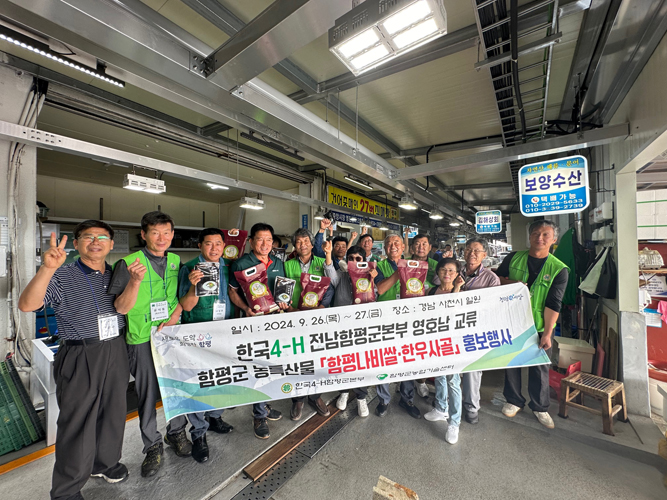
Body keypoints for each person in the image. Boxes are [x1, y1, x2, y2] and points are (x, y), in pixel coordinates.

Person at [19, 221, 129, 500]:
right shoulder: (61, 275)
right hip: (81, 353)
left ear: (111, 244)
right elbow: (27, 305)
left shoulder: (119, 273)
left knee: (113, 412)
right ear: (78, 243)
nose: (95, 241)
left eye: (102, 237)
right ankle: (66, 490)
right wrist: (47, 268)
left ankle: (104, 463)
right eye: (87, 237)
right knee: (78, 422)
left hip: (115, 349)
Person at [109, 211, 188, 477]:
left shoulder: (176, 261)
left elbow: (178, 298)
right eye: (155, 232)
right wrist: (134, 281)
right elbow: (119, 308)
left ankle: (176, 432)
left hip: (170, 337)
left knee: (176, 388)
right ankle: (152, 445)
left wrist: (175, 317)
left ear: (173, 234)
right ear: (143, 235)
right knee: (147, 394)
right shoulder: (128, 263)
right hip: (141, 339)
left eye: (167, 232)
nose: (162, 238)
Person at [496, 219, 569, 429]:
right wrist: (512, 283)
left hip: (539, 324)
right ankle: (513, 400)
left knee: (539, 366)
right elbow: (496, 279)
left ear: (554, 239)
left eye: (546, 234)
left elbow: (554, 303)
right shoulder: (513, 258)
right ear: (529, 237)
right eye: (536, 233)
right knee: (512, 362)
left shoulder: (559, 269)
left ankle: (540, 407)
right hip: (511, 321)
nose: (540, 238)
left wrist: (547, 333)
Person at [178, 228, 235, 463]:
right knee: (197, 385)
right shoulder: (189, 268)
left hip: (223, 333)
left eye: (218, 244)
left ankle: (214, 417)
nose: (214, 248)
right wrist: (193, 286)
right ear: (200, 245)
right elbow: (187, 306)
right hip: (197, 335)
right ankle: (199, 434)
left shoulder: (227, 267)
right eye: (209, 244)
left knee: (221, 379)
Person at [227, 223, 287, 439]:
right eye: (260, 239)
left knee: (271, 366)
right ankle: (259, 414)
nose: (265, 244)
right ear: (251, 241)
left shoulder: (279, 262)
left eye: (269, 240)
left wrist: (284, 304)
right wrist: (245, 309)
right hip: (253, 323)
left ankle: (265, 405)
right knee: (258, 367)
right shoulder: (241, 263)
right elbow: (232, 291)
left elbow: (282, 291)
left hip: (275, 323)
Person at [284, 227, 334, 420]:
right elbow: (282, 289)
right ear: (294, 245)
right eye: (298, 241)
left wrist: (322, 308)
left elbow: (330, 287)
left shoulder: (323, 262)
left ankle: (315, 396)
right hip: (294, 319)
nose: (302, 244)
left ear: (312, 244)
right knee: (295, 359)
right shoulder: (287, 265)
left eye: (306, 241)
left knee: (317, 359)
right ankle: (297, 399)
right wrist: (290, 310)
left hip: (317, 321)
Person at [323, 243, 377, 417]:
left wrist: (372, 279)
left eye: (358, 259)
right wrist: (329, 253)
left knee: (361, 362)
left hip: (362, 327)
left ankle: (361, 397)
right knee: (344, 361)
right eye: (351, 259)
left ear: (364, 260)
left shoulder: (370, 275)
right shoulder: (341, 275)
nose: (354, 262)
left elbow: (373, 298)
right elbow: (330, 272)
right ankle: (344, 392)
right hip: (342, 327)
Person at [373, 233, 420, 418]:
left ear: (403, 248)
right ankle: (383, 400)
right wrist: (401, 270)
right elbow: (381, 288)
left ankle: (407, 398)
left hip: (408, 320)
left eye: (397, 243)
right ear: (385, 248)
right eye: (389, 243)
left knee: (408, 359)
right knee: (383, 359)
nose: (393, 246)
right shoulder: (378, 266)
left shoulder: (414, 265)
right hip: (385, 320)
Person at [457, 237, 501, 425]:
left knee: (473, 369)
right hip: (452, 328)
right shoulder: (453, 271)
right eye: (468, 250)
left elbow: (493, 307)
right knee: (451, 366)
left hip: (476, 330)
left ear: (484, 254)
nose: (472, 254)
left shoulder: (491, 279)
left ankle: (471, 407)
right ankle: (447, 402)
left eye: (476, 251)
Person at [423, 258, 465, 444]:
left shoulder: (464, 293)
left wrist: (456, 289)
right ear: (437, 272)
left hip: (454, 343)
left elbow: (456, 313)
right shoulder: (431, 291)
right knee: (439, 375)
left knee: (454, 381)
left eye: (451, 270)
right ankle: (441, 408)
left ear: (457, 274)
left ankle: (454, 422)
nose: (446, 273)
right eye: (443, 270)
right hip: (435, 341)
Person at [403, 232, 439, 398]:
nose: (421, 247)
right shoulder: (403, 264)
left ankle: (421, 382)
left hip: (428, 314)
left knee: (424, 351)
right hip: (406, 313)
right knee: (406, 351)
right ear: (411, 247)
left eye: (424, 244)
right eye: (417, 244)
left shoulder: (436, 265)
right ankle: (405, 383)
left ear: (430, 247)